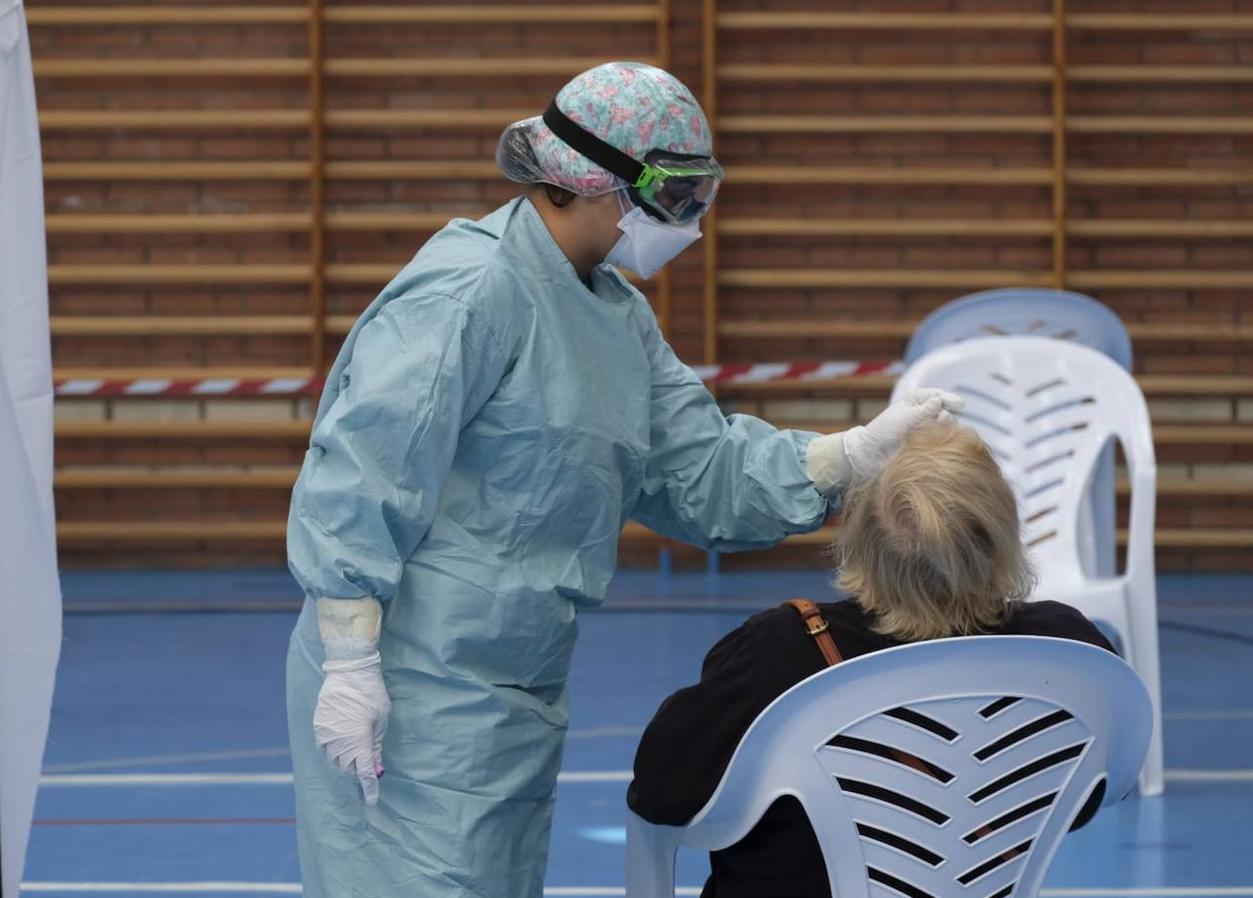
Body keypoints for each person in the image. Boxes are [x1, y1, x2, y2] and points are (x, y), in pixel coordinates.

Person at [285, 61, 961, 898]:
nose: (689, 224)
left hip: (511, 680)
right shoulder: (469, 291)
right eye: (676, 196)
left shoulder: (613, 313)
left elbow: (701, 473)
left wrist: (851, 454)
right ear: (594, 178)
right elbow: (363, 471)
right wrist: (350, 659)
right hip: (407, 679)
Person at [629, 421, 1117, 898]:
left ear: (859, 538)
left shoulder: (776, 653)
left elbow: (660, 792)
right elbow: (1089, 797)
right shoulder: (1068, 653)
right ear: (1003, 535)